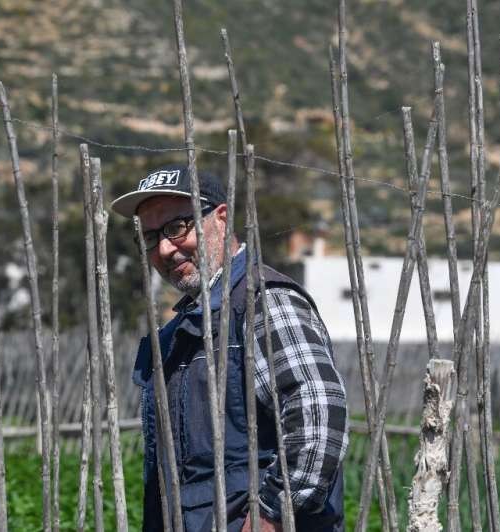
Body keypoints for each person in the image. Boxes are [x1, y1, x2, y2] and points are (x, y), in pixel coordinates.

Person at [111, 164, 348, 532]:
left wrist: (271, 515)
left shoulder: (264, 303)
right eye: (150, 236)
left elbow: (319, 414)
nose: (164, 249)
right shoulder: (184, 327)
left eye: (176, 227)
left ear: (221, 218)